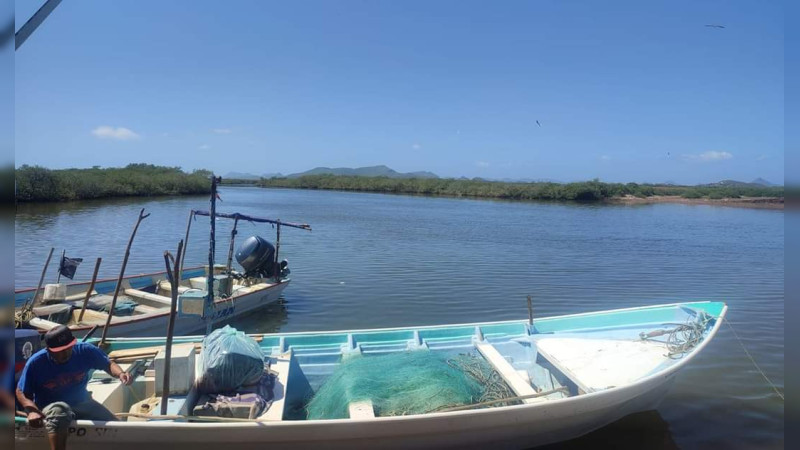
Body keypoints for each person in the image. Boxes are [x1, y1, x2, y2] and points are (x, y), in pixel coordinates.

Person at [16, 325, 132, 450]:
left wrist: (121, 373)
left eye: (68, 348)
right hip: (50, 406)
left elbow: (108, 364)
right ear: (49, 350)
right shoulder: (36, 363)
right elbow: (21, 391)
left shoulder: (85, 350)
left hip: (82, 402)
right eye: (60, 351)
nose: (65, 353)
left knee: (116, 427)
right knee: (60, 409)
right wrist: (32, 411)